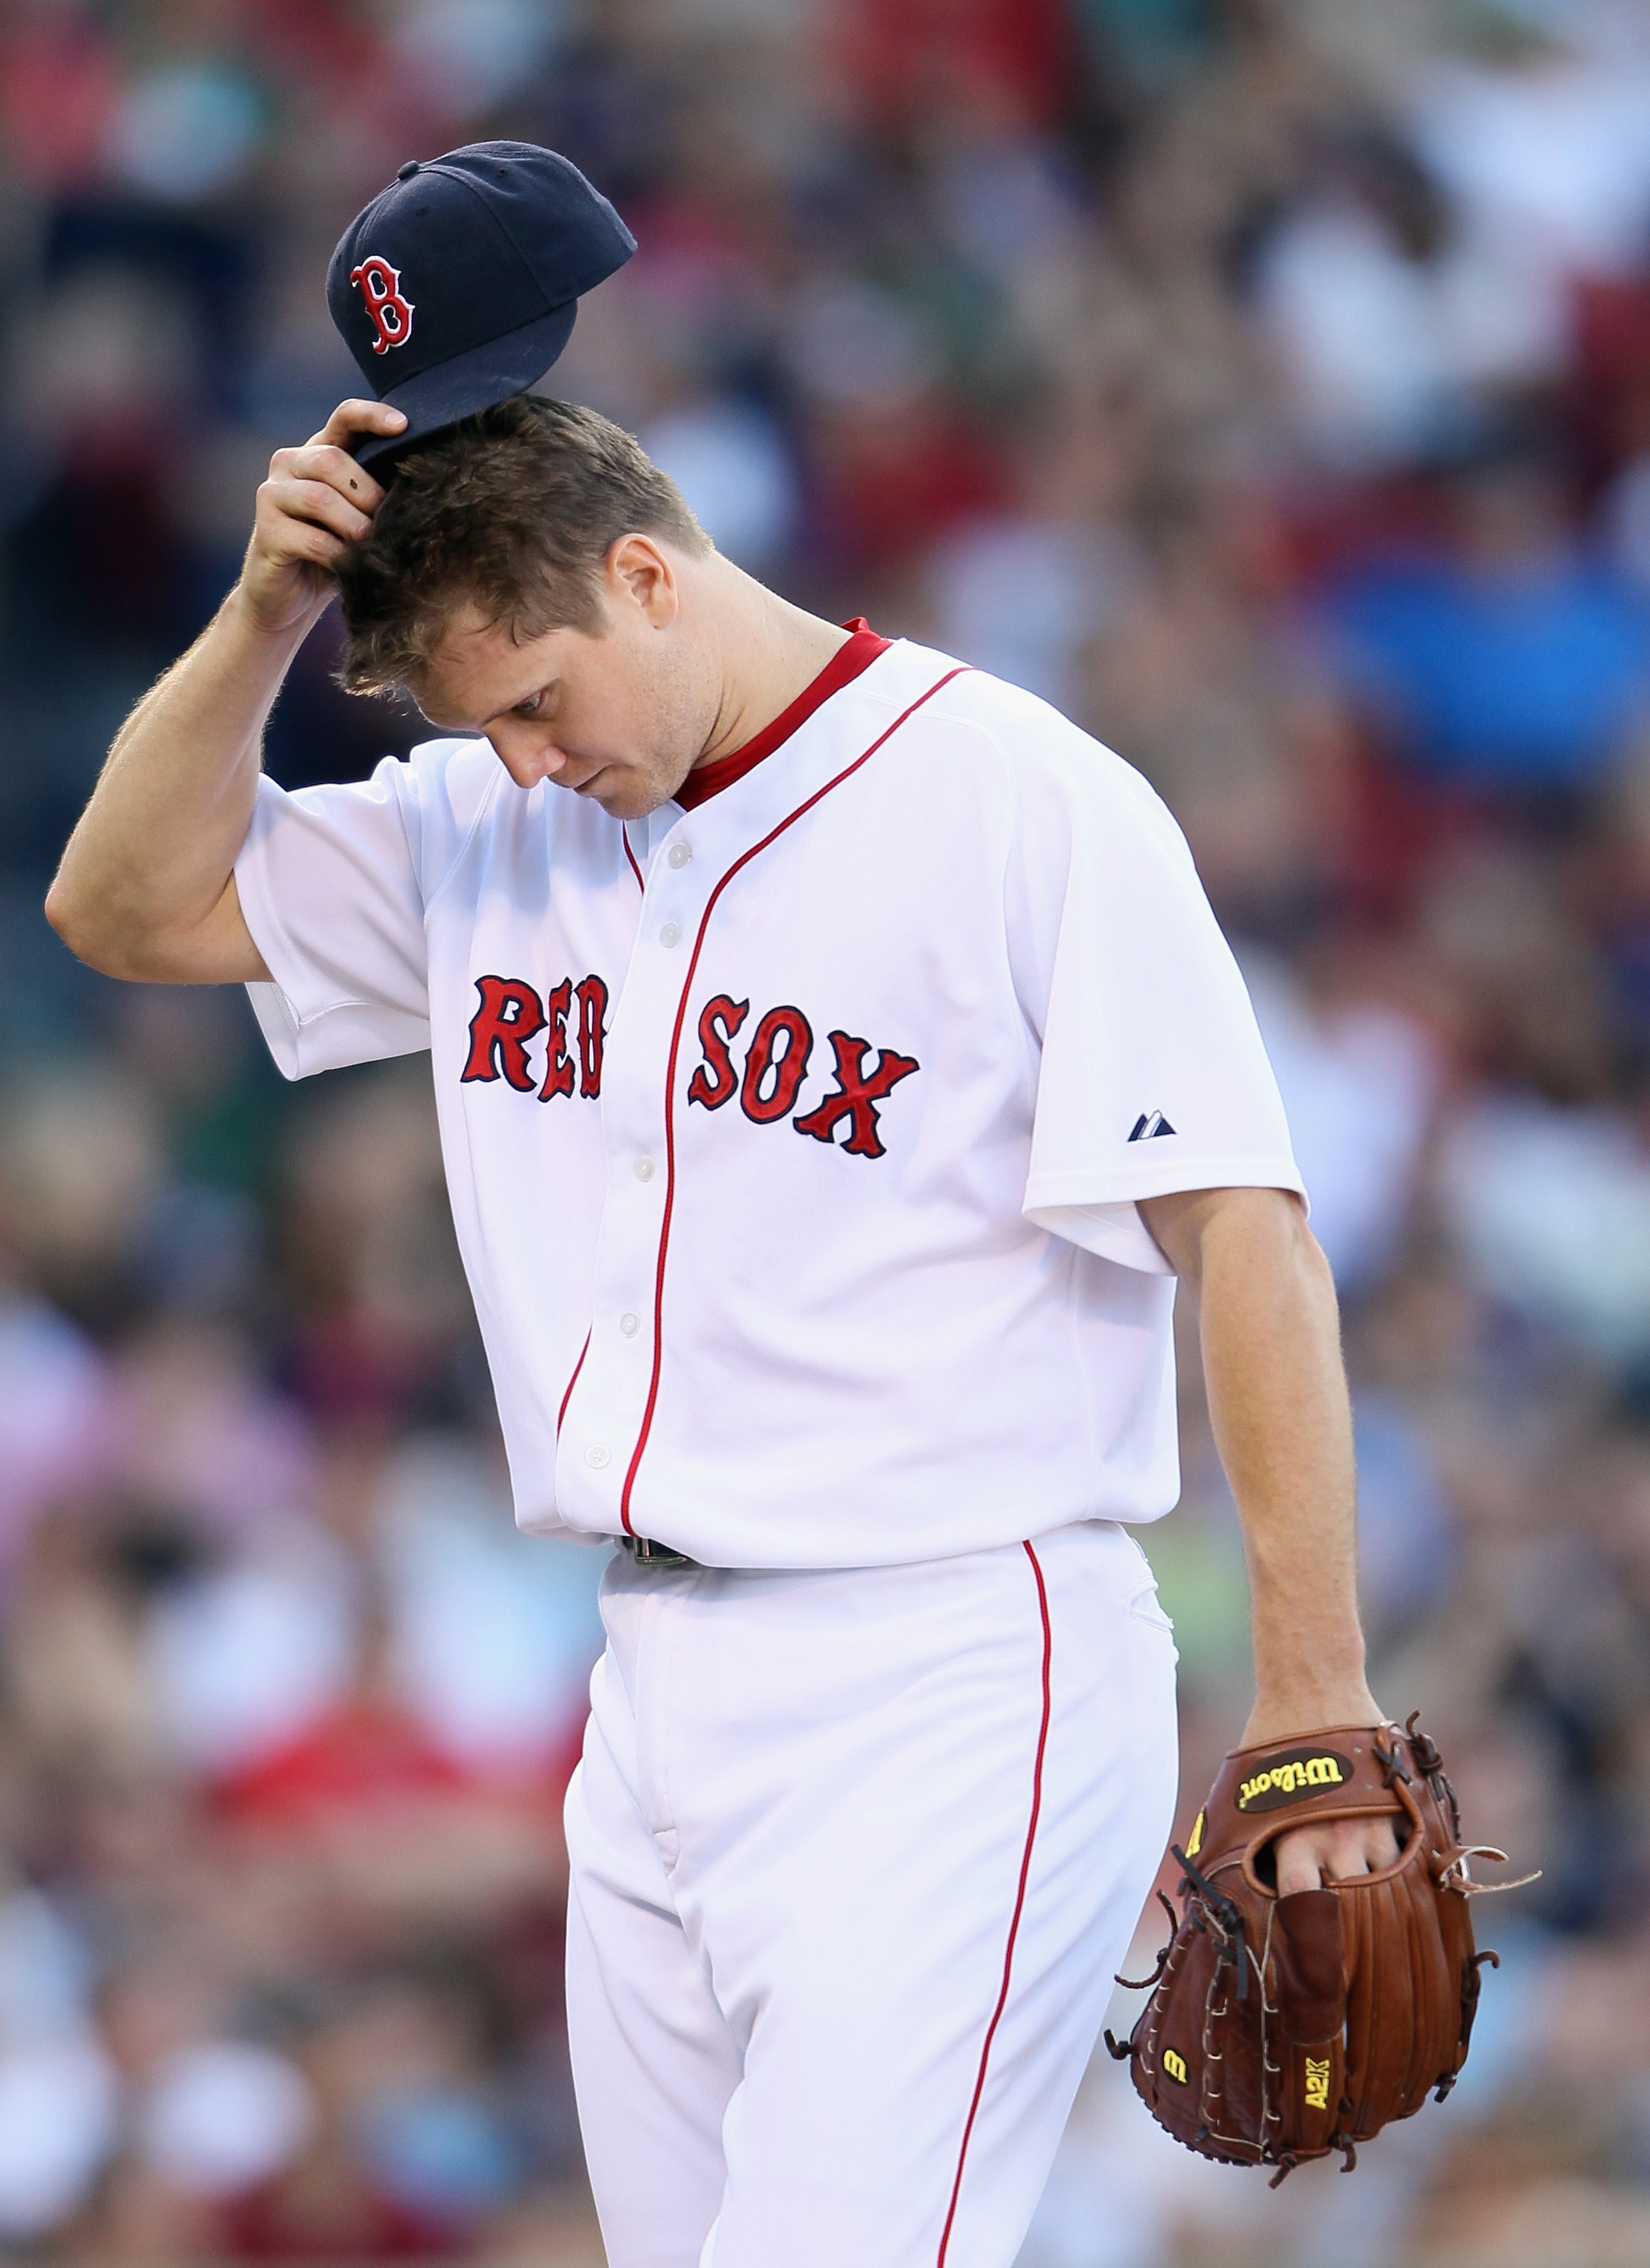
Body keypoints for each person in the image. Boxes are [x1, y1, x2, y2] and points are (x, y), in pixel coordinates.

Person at [48, 148, 1395, 2268]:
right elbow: (120, 906)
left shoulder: (1014, 799)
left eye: (533, 701)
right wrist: (259, 619)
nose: (514, 762)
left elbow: (1248, 1234)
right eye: (473, 723)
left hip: (951, 1655)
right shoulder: (492, 836)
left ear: (652, 576)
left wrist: (1311, 1685)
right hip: (651, 1681)